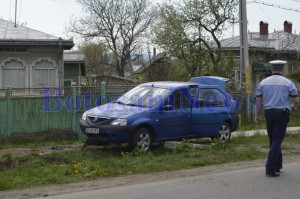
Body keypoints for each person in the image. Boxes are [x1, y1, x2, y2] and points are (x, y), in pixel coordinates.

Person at [255, 60, 299, 177]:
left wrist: (257, 115)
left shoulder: (263, 82)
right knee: (277, 140)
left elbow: (258, 101)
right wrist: (293, 107)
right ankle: (269, 168)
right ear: (282, 69)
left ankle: (278, 165)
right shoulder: (288, 82)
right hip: (282, 114)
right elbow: (296, 100)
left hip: (268, 113)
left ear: (272, 68)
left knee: (273, 140)